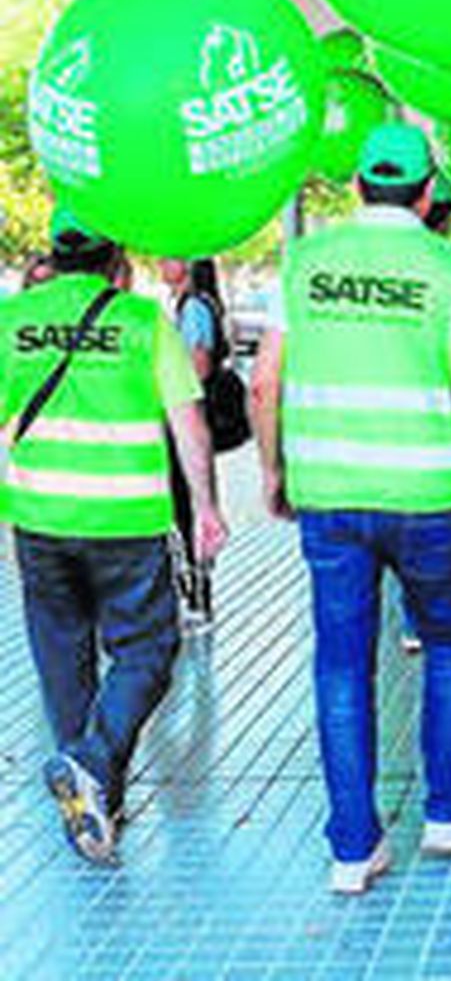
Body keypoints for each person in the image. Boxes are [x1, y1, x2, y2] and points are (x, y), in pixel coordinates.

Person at [251, 122, 451, 894]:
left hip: (330, 496)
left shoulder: (303, 262)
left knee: (341, 663)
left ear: (357, 187)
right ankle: (448, 811)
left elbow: (264, 383)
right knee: (449, 644)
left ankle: (352, 847)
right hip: (428, 498)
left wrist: (276, 472)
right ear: (429, 192)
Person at [1, 207, 226, 864]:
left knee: (61, 658)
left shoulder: (13, 322)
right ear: (113, 258)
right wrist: (206, 505)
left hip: (40, 519)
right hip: (126, 522)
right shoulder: (142, 321)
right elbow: (189, 423)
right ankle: (93, 769)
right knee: (150, 651)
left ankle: (93, 795)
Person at [157, 257, 229, 630]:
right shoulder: (191, 305)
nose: (158, 263)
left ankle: (197, 596)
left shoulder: (195, 307)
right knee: (183, 506)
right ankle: (191, 591)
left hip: (187, 421)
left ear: (186, 264)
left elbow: (197, 366)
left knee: (186, 507)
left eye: (168, 257)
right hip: (187, 421)